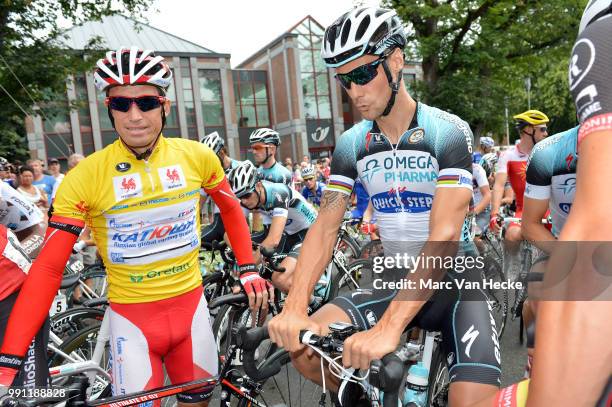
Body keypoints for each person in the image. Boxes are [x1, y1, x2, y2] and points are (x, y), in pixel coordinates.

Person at [0, 46, 269, 406]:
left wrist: (248, 268)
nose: (134, 115)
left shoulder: (197, 157)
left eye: (146, 102)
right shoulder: (85, 176)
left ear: (165, 106)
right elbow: (48, 269)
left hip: (192, 318)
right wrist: (7, 364)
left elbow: (232, 209)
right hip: (133, 324)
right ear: (109, 109)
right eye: (121, 104)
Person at [268, 8, 500, 406]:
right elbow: (325, 227)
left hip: (456, 281)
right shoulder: (351, 144)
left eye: (362, 74)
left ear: (395, 62)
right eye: (344, 80)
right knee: (306, 351)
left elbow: (443, 238)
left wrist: (390, 327)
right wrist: (294, 307)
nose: (354, 91)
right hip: (394, 276)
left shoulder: (448, 132)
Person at [230, 161, 317, 294]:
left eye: (247, 195)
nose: (245, 202)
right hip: (290, 233)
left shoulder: (278, 193)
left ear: (258, 185)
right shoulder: (249, 199)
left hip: (310, 231)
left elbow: (273, 239)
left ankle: (312, 303)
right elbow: (234, 230)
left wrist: (247, 268)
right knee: (265, 271)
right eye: (240, 198)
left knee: (279, 279)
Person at [0, 181, 46, 390]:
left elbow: (38, 227)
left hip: (14, 290)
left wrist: (22, 257)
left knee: (25, 390)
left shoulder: (4, 192)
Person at [489, 110, 549, 250]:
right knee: (511, 236)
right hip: (524, 211)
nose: (546, 133)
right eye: (542, 129)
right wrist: (494, 214)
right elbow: (498, 186)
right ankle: (513, 271)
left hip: (549, 211)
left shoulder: (549, 153)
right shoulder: (508, 156)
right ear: (529, 130)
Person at [200, 131, 247, 244]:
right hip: (219, 222)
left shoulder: (242, 167)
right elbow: (199, 204)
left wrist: (254, 231)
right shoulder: (209, 173)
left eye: (212, 159)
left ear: (221, 152)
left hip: (239, 219)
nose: (209, 163)